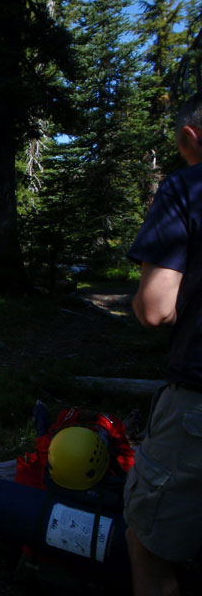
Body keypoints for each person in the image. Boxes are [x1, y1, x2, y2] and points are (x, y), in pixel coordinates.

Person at [125, 91, 202, 595]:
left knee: (149, 541)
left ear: (188, 138)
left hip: (197, 398)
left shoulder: (188, 185)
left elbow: (155, 308)